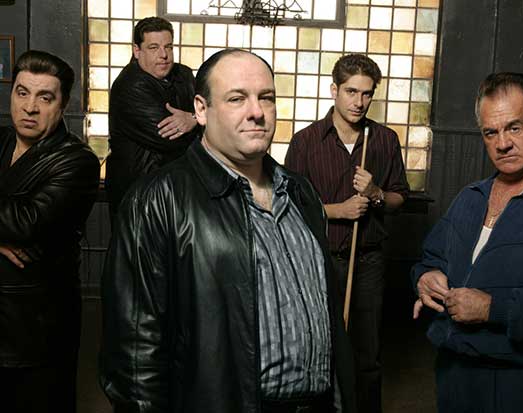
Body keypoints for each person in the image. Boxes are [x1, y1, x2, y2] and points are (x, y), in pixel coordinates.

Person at [100, 48, 356, 413]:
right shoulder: (157, 200)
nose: (257, 111)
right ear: (201, 110)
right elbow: (135, 355)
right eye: (237, 98)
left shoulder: (301, 193)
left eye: (266, 98)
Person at [412, 72, 523, 413]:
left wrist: (493, 309)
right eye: (491, 132)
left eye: (514, 127)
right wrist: (424, 277)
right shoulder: (470, 198)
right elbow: (431, 258)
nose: (502, 143)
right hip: (455, 377)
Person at [285, 53, 409, 413]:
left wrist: (375, 193)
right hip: (318, 259)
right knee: (319, 349)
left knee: (367, 354)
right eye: (351, 91)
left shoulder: (384, 140)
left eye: (367, 93)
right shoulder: (306, 141)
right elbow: (290, 206)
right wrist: (337, 211)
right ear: (334, 90)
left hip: (368, 260)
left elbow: (399, 198)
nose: (359, 101)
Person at [0, 50, 99, 412]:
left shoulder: (77, 161)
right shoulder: (0, 140)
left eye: (45, 97)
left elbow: (26, 224)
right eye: (22, 93)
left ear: (63, 104)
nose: (30, 107)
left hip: (36, 329)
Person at [105, 16, 198, 221]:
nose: (164, 55)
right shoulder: (130, 86)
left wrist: (194, 119)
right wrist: (201, 121)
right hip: (137, 196)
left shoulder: (183, 74)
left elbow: (212, 110)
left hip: (178, 191)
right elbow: (172, 139)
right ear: (137, 51)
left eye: (168, 47)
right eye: (154, 47)